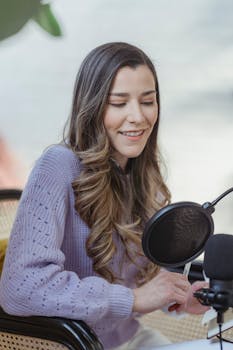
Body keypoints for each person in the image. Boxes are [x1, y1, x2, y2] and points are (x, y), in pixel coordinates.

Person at [0, 42, 208, 349]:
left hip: (131, 339)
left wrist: (174, 296)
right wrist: (133, 299)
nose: (137, 116)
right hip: (75, 345)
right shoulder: (58, 166)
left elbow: (134, 276)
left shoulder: (137, 174)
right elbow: (20, 287)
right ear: (93, 105)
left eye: (148, 101)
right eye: (119, 102)